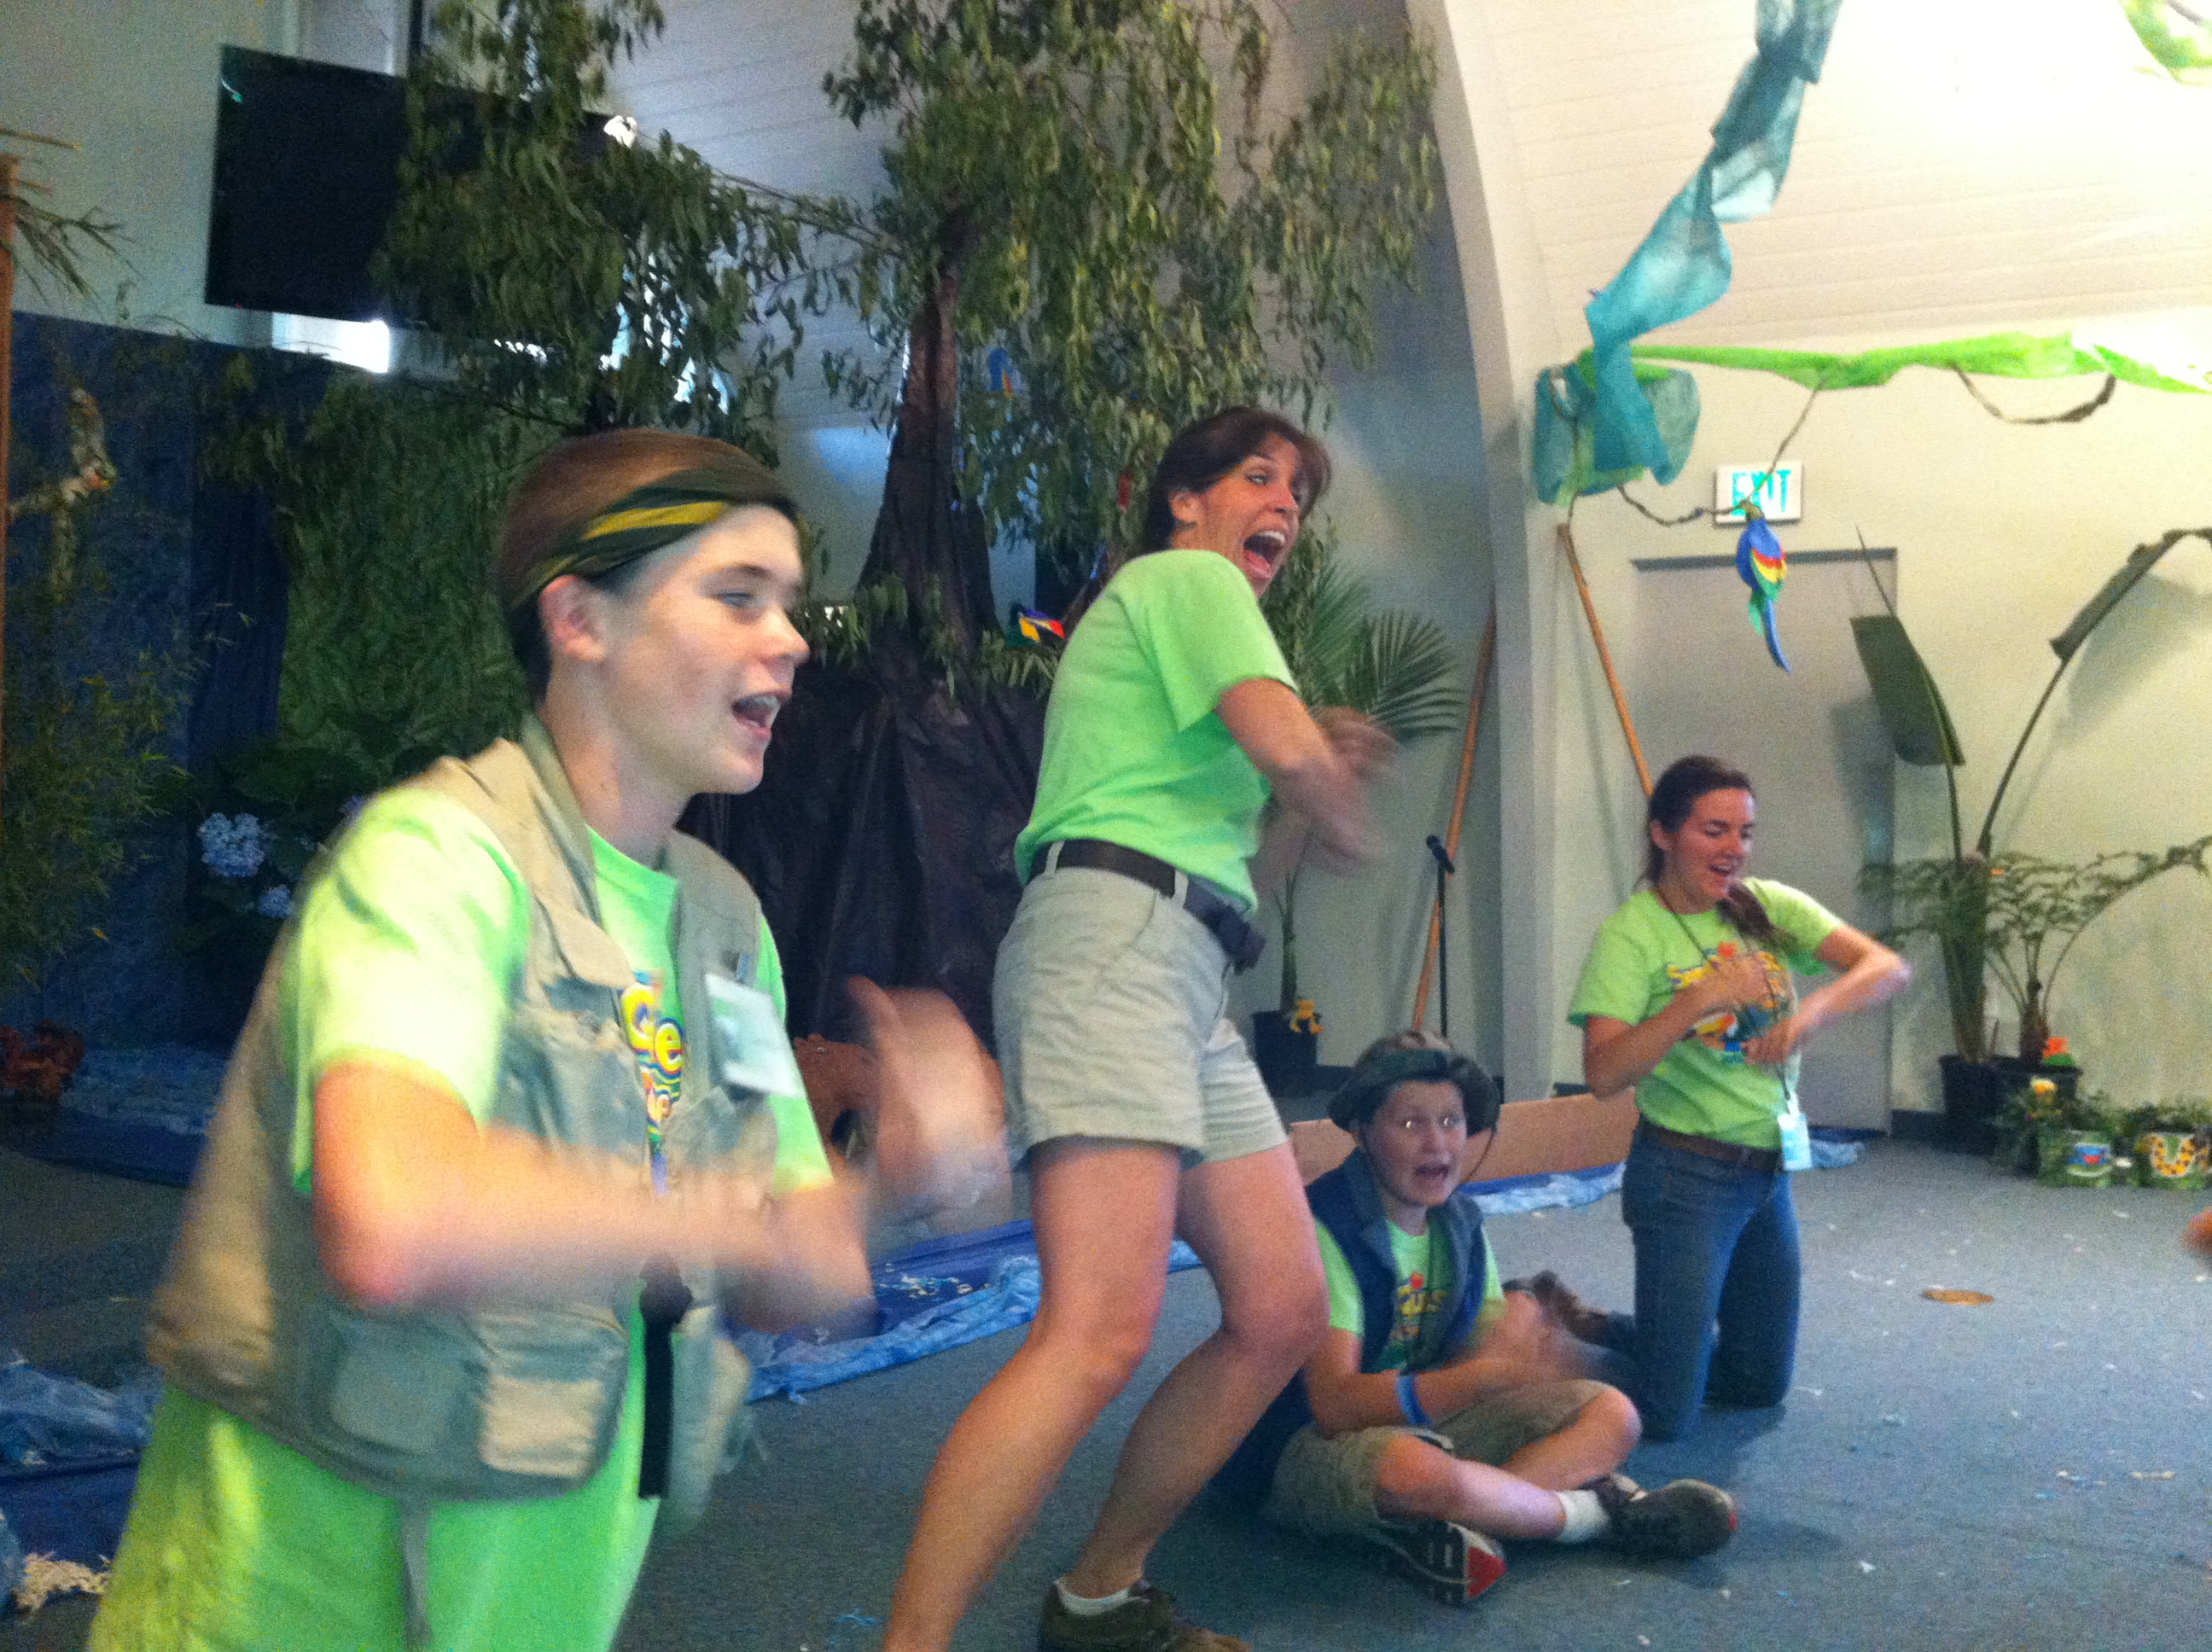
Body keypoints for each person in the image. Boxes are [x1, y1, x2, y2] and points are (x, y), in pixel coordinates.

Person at [90, 429, 972, 1652]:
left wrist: (894, 1188)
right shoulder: (435, 863)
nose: (791, 638)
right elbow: (393, 1221)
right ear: (579, 618)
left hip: (544, 1592)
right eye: (737, 595)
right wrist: (714, 1219)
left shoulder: (725, 929)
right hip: (298, 1599)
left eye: (788, 601)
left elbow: (794, 1276)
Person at [882, 407, 1390, 1652]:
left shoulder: (1187, 632)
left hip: (1186, 968)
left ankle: (1100, 1594)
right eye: (1259, 477)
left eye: (1299, 493)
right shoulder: (1187, 581)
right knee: (1096, 1330)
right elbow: (1292, 756)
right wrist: (1331, 790)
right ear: (1184, 502)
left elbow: (1249, 877)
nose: (1284, 505)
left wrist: (1312, 793)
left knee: (1282, 1308)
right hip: (1113, 945)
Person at [1216, 1031, 1737, 1606]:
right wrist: (1484, 1376)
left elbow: (1481, 1358)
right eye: (1410, 1123)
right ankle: (1596, 1515)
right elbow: (1334, 1406)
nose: (1437, 1143)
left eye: (1451, 1121)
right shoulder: (1323, 1230)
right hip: (1304, 1445)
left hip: (1424, 1423)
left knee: (1614, 1414)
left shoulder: (1460, 1224)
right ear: (1362, 1132)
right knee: (1413, 1473)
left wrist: (1520, 1337)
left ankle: (1468, 1521)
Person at [1567, 753, 1910, 1442]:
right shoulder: (1630, 936)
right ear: (1663, 833)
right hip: (1683, 1178)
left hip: (1767, 1173)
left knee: (1758, 1384)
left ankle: (1631, 1333)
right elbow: (1604, 1074)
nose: (1734, 849)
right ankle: (1549, 1348)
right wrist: (1697, 1000)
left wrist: (1811, 1015)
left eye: (1745, 833)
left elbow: (1886, 968)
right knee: (1666, 1414)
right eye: (1714, 830)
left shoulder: (1765, 908)